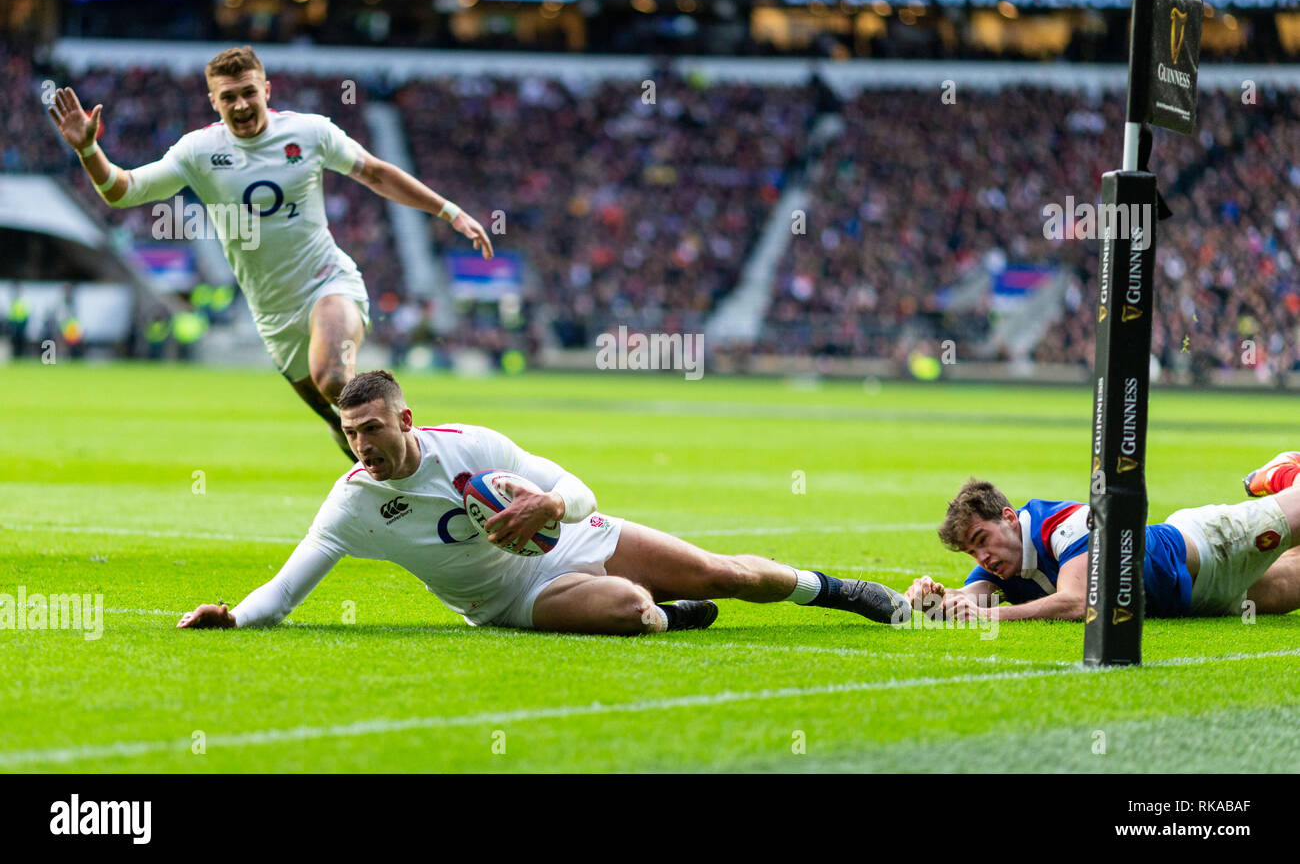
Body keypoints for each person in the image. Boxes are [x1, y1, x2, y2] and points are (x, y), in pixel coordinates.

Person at [178, 370, 911, 635]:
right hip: (512, 602)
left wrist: (550, 509)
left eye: (371, 429)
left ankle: (836, 588)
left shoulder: (469, 442)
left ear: (404, 420)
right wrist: (235, 615)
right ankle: (668, 614)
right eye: (349, 433)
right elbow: (285, 591)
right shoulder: (352, 505)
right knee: (633, 609)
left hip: (575, 538)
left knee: (727, 574)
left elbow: (582, 489)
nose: (360, 445)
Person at [47, 46, 493, 460]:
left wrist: (448, 211)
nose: (241, 105)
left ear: (266, 90)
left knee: (335, 379)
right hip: (272, 313)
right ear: (213, 101)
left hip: (328, 282)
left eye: (248, 93)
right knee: (342, 425)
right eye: (229, 97)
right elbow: (121, 191)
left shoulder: (309, 132)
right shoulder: (199, 151)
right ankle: (393, 492)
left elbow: (375, 173)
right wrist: (88, 149)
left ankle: (435, 462)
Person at [905, 455, 1300, 622]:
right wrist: (935, 599)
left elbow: (1080, 602)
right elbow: (972, 599)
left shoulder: (1065, 524)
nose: (982, 558)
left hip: (1213, 547)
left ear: (1009, 518)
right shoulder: (1002, 563)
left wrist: (989, 616)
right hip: (1198, 600)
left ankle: (1286, 476)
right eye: (972, 552)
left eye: (981, 540)